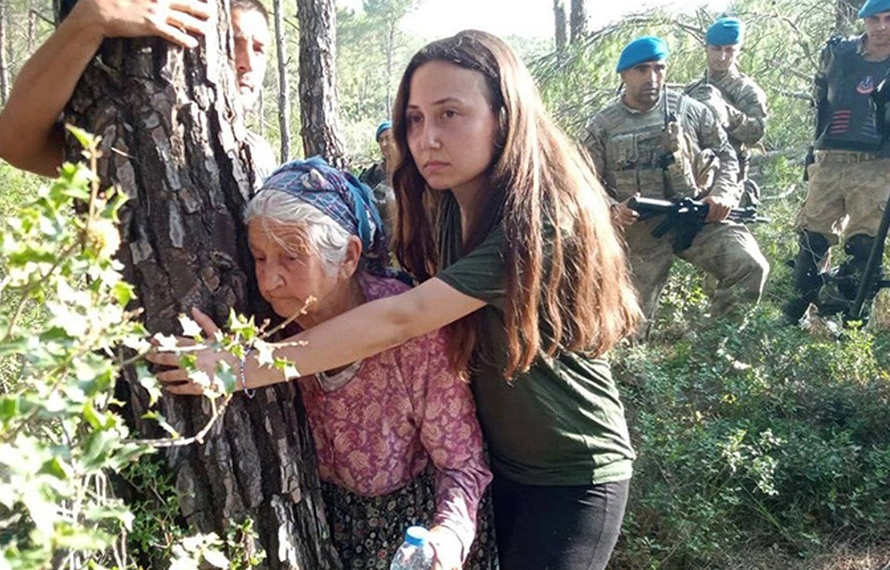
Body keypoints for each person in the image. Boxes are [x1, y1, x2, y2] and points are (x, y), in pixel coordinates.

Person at [152, 30, 643, 570]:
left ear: (504, 116)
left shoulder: (536, 223)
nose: (426, 137)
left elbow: (403, 318)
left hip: (572, 471)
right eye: (414, 118)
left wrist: (242, 368)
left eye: (449, 114)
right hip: (502, 462)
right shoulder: (451, 206)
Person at [244, 158, 494, 570]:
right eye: (258, 257)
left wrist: (446, 537)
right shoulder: (265, 326)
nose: (270, 281)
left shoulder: (412, 333)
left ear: (348, 257)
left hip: (411, 537)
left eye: (291, 257)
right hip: (317, 529)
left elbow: (462, 463)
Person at [582, 36, 769, 335]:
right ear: (624, 74)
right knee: (630, 325)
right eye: (642, 69)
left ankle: (714, 354)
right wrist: (611, 210)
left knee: (749, 265)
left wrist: (722, 193)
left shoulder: (691, 110)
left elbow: (726, 155)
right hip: (640, 230)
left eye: (659, 68)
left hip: (697, 217)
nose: (652, 77)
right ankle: (634, 370)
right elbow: (584, 182)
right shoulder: (603, 126)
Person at [0, 0, 277, 181]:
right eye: (232, 44)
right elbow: (14, 142)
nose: (247, 63)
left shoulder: (259, 156)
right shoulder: (127, 133)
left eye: (259, 49)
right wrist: (90, 22)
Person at [783, 0, 890, 324]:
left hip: (876, 163)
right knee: (812, 239)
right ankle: (795, 314)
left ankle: (852, 325)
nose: (882, 27)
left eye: (889, 19)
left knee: (864, 246)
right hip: (830, 158)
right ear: (864, 21)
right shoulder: (838, 54)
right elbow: (821, 103)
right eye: (875, 19)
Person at [684, 17, 769, 208]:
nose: (722, 57)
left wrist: (728, 114)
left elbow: (756, 134)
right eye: (716, 49)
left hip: (728, 183)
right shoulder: (692, 90)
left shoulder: (747, 91)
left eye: (729, 50)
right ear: (706, 48)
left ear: (738, 50)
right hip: (693, 180)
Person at [359, 120, 398, 242]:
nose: (384, 143)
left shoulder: (409, 169)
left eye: (388, 138)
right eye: (380, 140)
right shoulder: (372, 173)